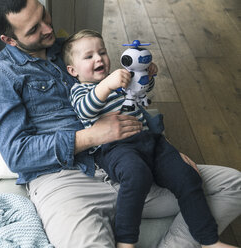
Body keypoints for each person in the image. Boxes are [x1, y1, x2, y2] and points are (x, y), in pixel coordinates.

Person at [0, 0, 241, 247]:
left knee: (232, 185)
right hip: (65, 180)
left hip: (131, 159)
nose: (48, 29)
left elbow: (125, 100)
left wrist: (163, 148)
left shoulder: (74, 49)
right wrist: (93, 136)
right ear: (9, 40)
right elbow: (18, 155)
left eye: (43, 15)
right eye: (34, 29)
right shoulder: (2, 76)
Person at [62, 29, 235, 248]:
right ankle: (125, 241)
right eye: (89, 56)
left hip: (149, 141)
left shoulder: (117, 80)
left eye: (102, 52)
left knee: (187, 176)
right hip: (115, 148)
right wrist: (106, 86)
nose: (99, 58)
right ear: (73, 70)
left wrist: (148, 76)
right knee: (137, 175)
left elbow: (141, 92)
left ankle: (210, 241)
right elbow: (86, 110)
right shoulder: (79, 90)